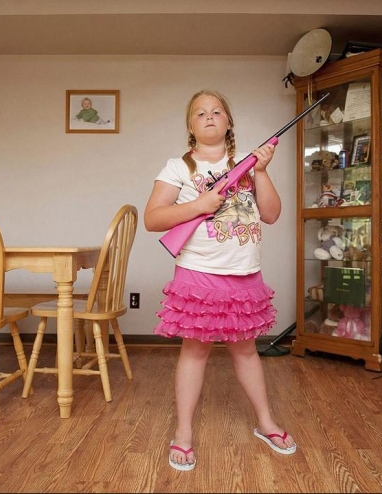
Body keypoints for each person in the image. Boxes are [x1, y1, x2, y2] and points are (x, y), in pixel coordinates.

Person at [144, 89, 296, 472]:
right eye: (200, 113)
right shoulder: (178, 167)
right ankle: (183, 433)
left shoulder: (247, 164)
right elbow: (153, 219)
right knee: (195, 351)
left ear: (228, 122)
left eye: (217, 111)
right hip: (199, 275)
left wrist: (259, 169)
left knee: (246, 351)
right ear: (190, 126)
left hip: (244, 273)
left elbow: (272, 214)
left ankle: (266, 422)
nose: (209, 116)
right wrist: (198, 205)